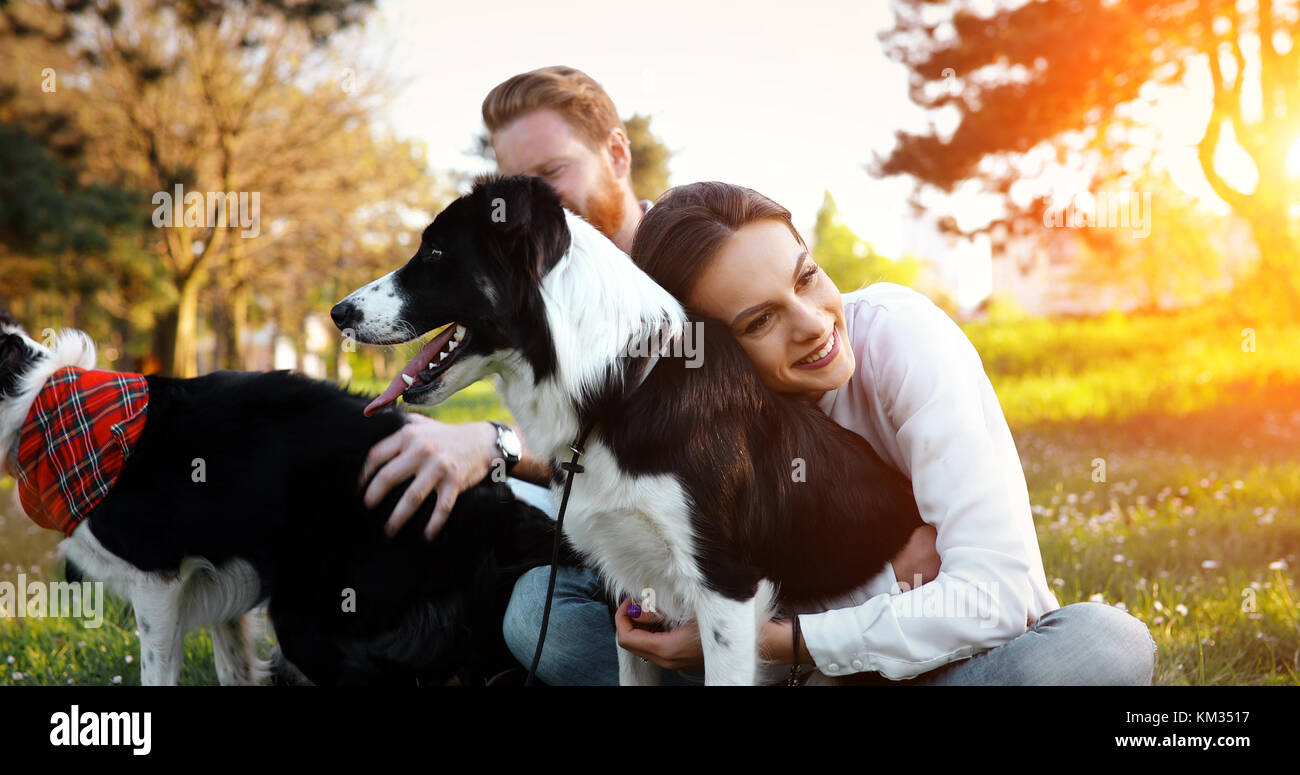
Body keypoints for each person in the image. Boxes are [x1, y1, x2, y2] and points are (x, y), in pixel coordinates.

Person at [358, 65, 942, 683]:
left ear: (616, 153)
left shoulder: (700, 266)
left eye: (548, 175)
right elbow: (566, 421)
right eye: (510, 188)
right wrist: (496, 441)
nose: (518, 210)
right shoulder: (533, 288)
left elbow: (780, 361)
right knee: (534, 604)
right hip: (651, 529)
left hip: (775, 545)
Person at [503, 181, 1157, 686]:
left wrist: (769, 637)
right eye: (760, 321)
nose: (814, 323)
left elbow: (998, 598)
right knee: (540, 611)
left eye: (807, 276)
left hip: (934, 669)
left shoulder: (901, 337)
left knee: (1103, 644)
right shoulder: (685, 416)